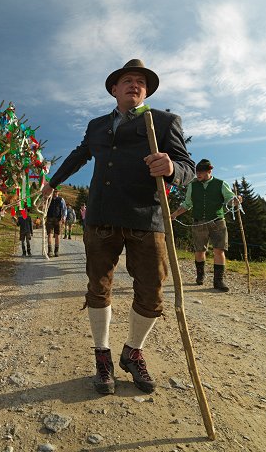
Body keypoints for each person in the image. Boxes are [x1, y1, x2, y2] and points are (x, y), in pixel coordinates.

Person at [42, 59, 195, 394]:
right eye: (127, 80)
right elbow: (79, 155)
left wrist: (171, 166)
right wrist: (52, 183)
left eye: (141, 82)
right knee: (98, 288)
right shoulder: (97, 125)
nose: (134, 85)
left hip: (146, 218)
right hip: (101, 218)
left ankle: (132, 351)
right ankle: (102, 356)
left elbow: (187, 165)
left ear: (146, 91)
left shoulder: (164, 121)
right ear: (114, 89)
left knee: (152, 294)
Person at [170, 159, 241, 292]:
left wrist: (235, 201)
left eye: (201, 172)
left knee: (219, 250)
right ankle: (200, 276)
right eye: (197, 172)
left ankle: (218, 281)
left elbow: (230, 200)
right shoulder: (193, 185)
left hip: (217, 221)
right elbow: (187, 204)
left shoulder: (221, 184)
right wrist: (173, 215)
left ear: (209, 171)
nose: (198, 175)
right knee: (199, 250)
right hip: (198, 223)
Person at [45, 189, 66, 256]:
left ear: (58, 192)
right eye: (54, 191)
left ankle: (56, 251)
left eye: (56, 191)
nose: (55, 193)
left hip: (58, 219)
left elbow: (64, 209)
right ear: (52, 192)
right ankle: (50, 251)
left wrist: (64, 217)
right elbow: (44, 207)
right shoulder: (48, 199)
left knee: (57, 235)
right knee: (50, 235)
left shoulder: (61, 199)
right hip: (49, 219)